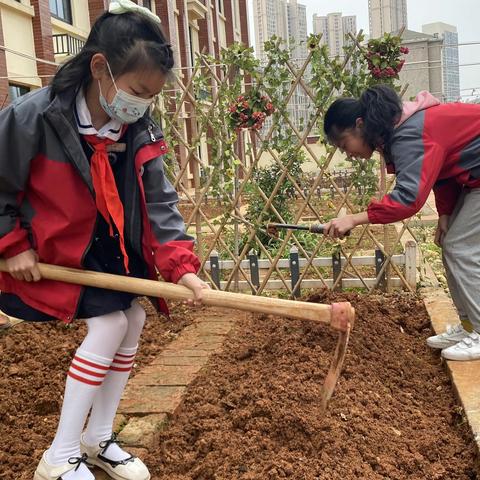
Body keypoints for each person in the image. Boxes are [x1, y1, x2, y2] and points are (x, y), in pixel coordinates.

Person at [0, 2, 208, 479]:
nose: (141, 104)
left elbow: (159, 204)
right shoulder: (34, 117)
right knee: (111, 324)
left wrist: (183, 267)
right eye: (136, 91)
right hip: (46, 253)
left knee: (132, 318)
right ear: (100, 68)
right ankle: (58, 456)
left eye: (151, 96)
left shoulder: (136, 129)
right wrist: (11, 244)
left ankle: (97, 438)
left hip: (105, 250)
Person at [322, 84, 480, 362]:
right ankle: (469, 328)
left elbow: (408, 198)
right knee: (450, 244)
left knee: (460, 248)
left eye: (344, 144)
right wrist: (445, 214)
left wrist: (355, 218)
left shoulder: (409, 133)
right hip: (472, 179)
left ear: (360, 125)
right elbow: (442, 172)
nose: (348, 154)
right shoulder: (399, 131)